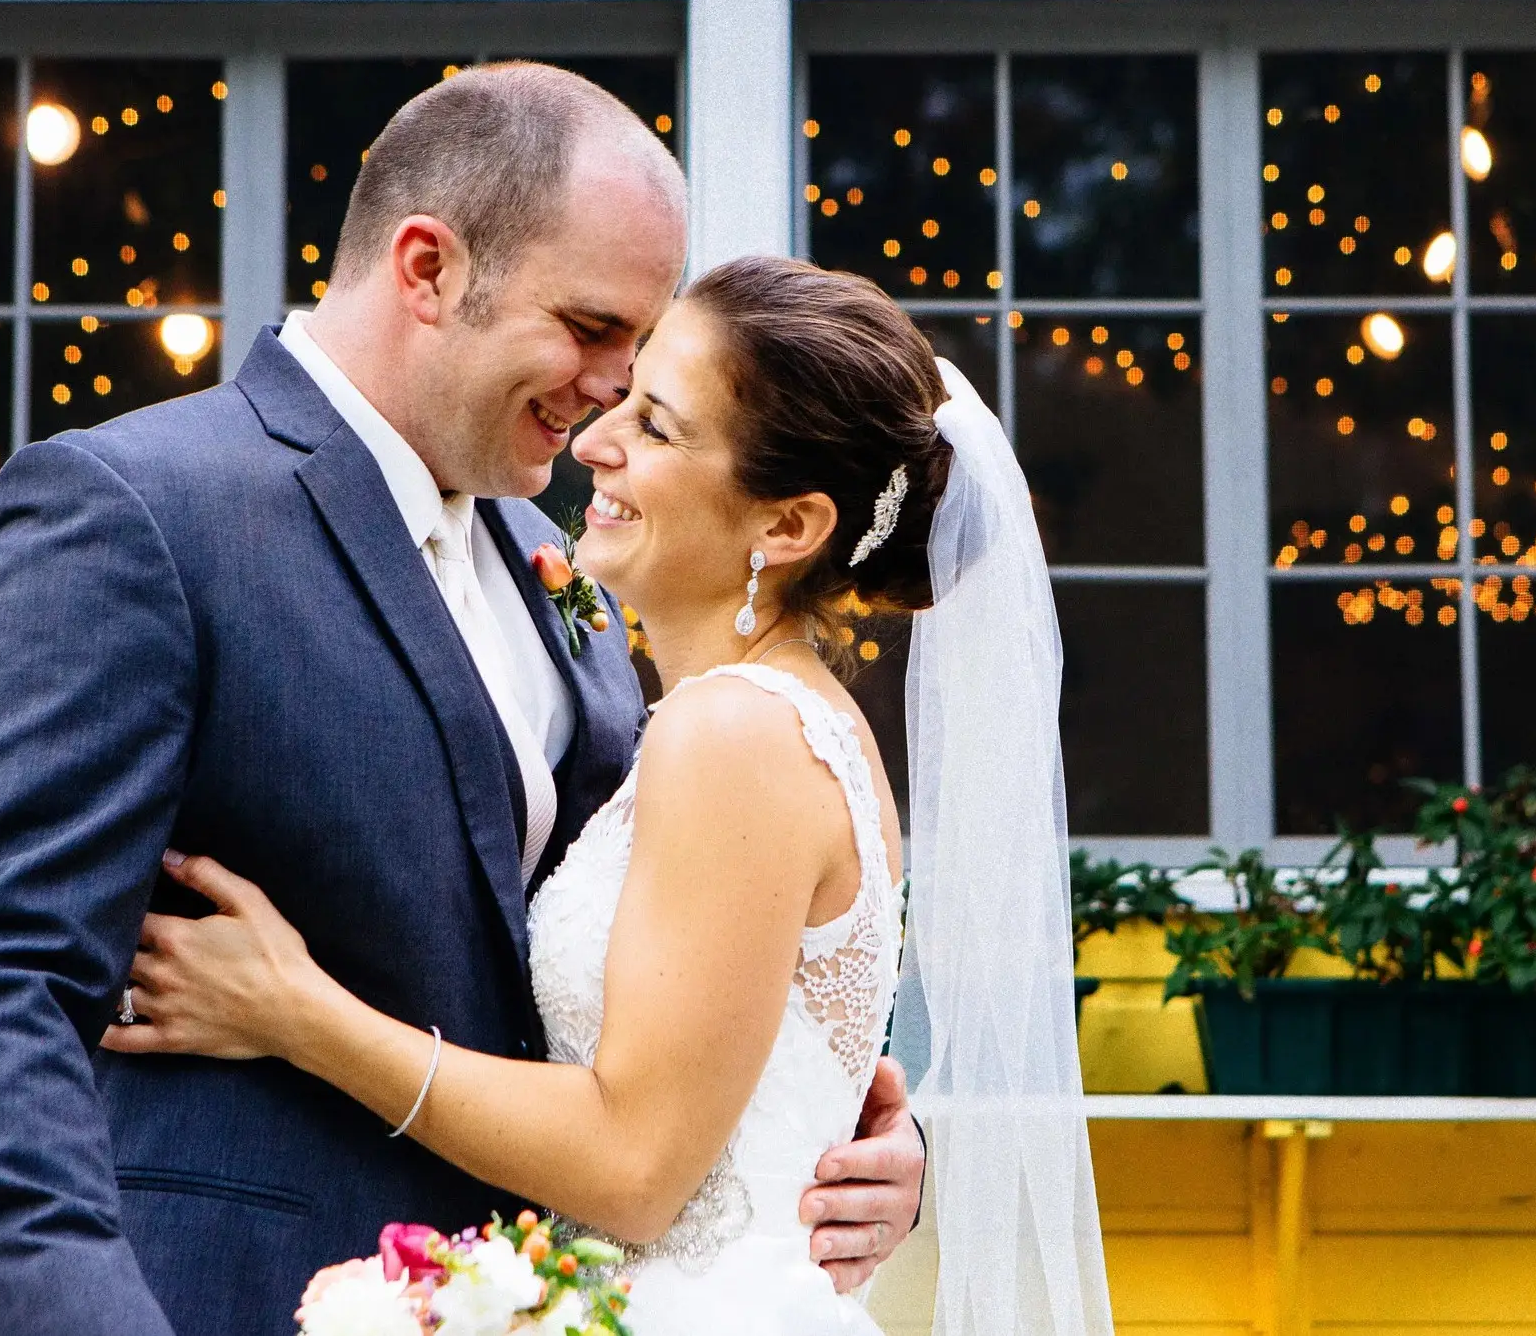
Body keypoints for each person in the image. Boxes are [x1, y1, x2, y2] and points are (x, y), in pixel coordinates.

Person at [0, 67, 924, 1336]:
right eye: (591, 326)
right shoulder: (137, 510)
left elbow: (651, 1001)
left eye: (641, 351)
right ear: (426, 267)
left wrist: (854, 1140)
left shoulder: (561, 573)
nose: (611, 389)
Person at [104, 255, 1114, 1336]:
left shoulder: (732, 731)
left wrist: (297, 1013)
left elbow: (635, 1168)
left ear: (786, 527)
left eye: (660, 426)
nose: (594, 439)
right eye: (624, 394)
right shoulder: (777, 722)